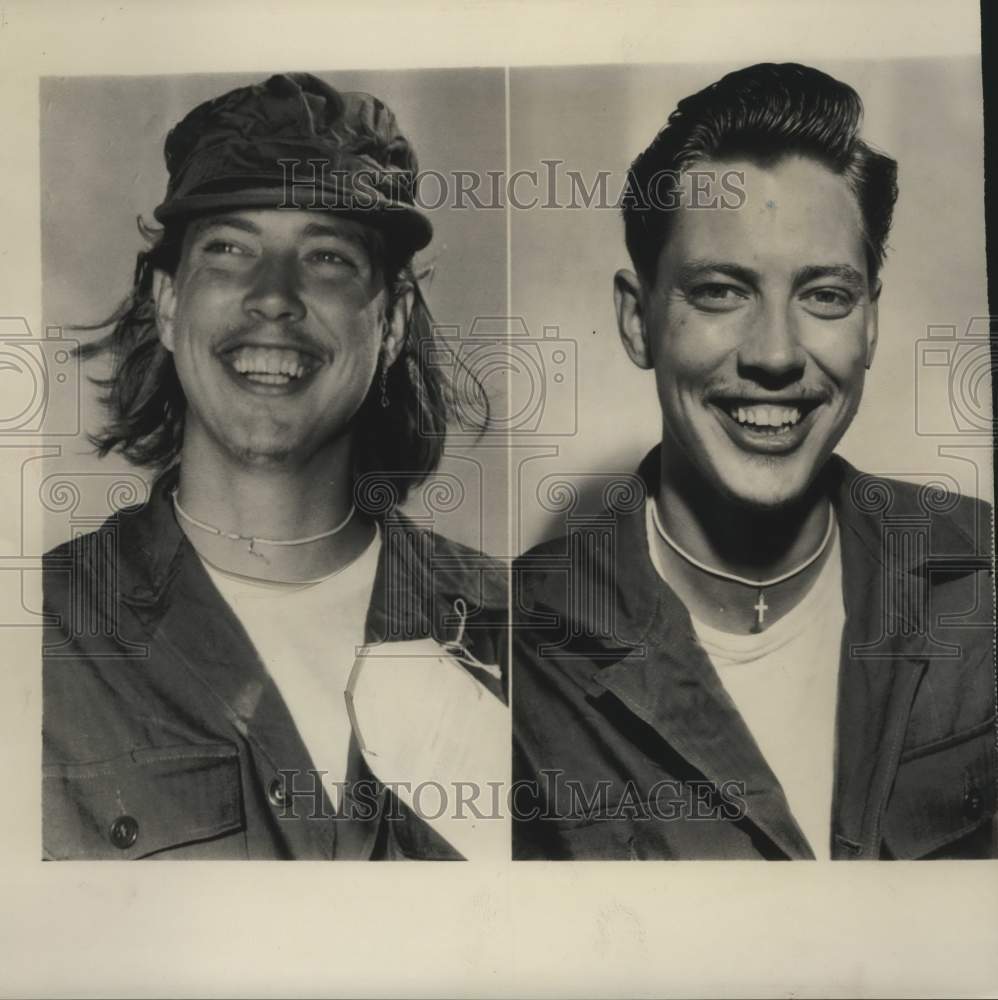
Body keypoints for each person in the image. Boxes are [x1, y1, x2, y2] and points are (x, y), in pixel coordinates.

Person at [512, 62, 996, 860]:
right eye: (720, 292)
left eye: (825, 296)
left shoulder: (984, 579)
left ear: (870, 320)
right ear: (638, 322)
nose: (775, 354)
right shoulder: (512, 650)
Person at [43, 73, 507, 861]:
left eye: (327, 257)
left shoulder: (523, 640)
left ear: (391, 323)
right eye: (229, 249)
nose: (273, 297)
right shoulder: (37, 639)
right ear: (165, 303)